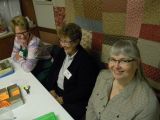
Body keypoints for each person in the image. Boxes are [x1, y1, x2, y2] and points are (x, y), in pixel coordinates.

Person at [86, 40, 160, 120]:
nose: (116, 66)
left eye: (124, 60)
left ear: (137, 64)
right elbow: (92, 104)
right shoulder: (102, 75)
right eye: (113, 59)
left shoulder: (147, 103)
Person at [43, 23, 99, 120]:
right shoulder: (62, 52)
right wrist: (51, 89)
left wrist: (63, 99)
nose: (62, 44)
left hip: (73, 100)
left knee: (57, 116)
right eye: (61, 40)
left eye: (66, 41)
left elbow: (84, 90)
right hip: (57, 91)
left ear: (76, 41)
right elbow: (52, 71)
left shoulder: (85, 61)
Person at [11, 15, 52, 81]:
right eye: (18, 34)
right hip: (30, 62)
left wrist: (19, 57)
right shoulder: (17, 38)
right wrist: (21, 57)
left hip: (44, 65)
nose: (22, 36)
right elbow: (13, 56)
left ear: (29, 30)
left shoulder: (34, 43)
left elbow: (27, 68)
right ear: (15, 33)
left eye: (24, 32)